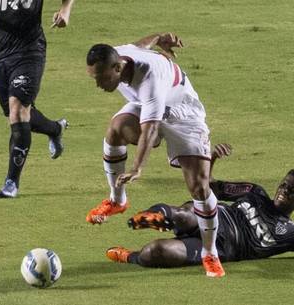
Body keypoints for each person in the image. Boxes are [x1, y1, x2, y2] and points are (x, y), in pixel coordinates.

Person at [104, 144, 294, 270]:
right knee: (187, 210)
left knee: (158, 251)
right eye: (284, 185)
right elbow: (205, 185)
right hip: (213, 218)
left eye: (293, 191)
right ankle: (155, 216)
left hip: (222, 251)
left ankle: (129, 257)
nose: (285, 191)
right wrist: (211, 158)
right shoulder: (252, 192)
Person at [85, 33, 225, 277]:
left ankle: (209, 253)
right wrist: (160, 37)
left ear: (118, 67)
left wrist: (137, 167)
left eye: (102, 78)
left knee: (199, 189)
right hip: (153, 106)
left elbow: (149, 131)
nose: (98, 84)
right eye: (94, 78)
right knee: (115, 128)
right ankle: (117, 200)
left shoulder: (148, 79)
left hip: (185, 113)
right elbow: (140, 45)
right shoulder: (120, 53)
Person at [0, 0, 75, 198]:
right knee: (16, 116)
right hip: (0, 56)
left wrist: (65, 11)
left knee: (17, 111)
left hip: (30, 53)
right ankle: (55, 129)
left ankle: (11, 183)